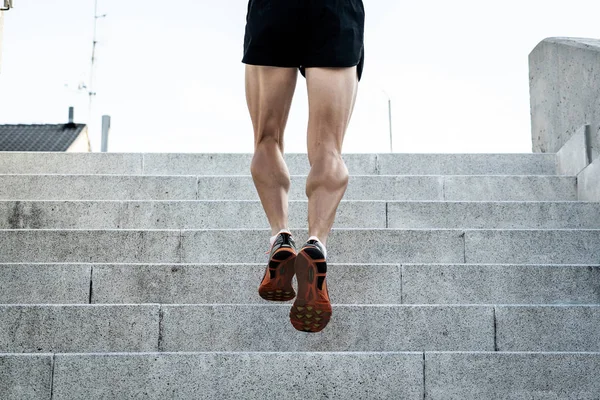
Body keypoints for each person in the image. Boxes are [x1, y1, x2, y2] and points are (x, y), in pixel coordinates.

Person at [242, 0, 365, 333]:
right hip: (334, 9)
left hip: (274, 8)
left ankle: (281, 237)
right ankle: (315, 244)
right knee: (329, 149)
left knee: (267, 139)